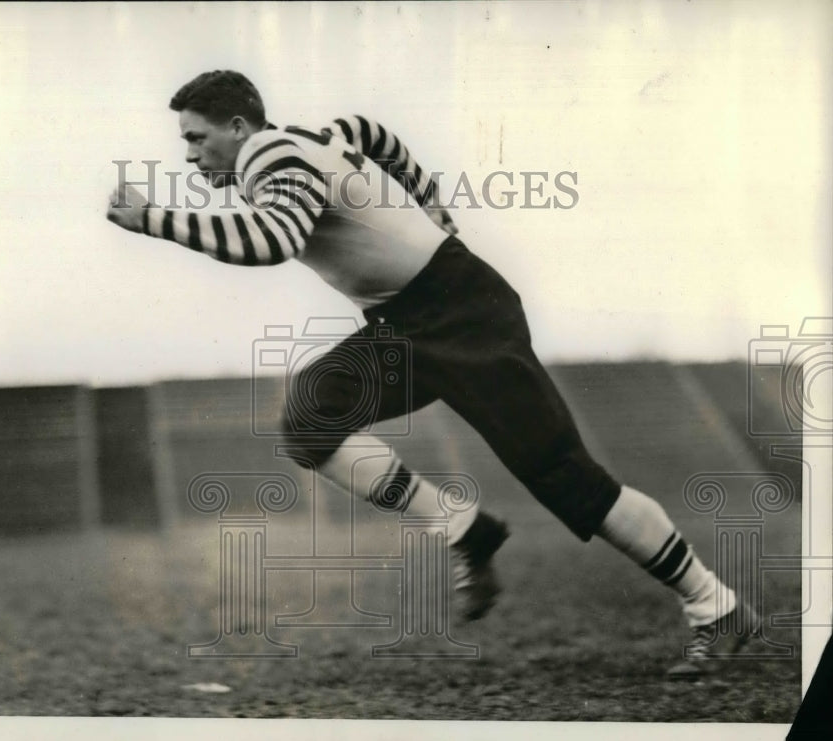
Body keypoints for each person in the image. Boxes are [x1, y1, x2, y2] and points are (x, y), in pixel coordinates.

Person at [107, 69, 758, 677]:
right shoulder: (311, 137)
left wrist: (152, 221)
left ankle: (714, 602)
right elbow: (371, 134)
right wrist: (433, 207)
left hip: (466, 315)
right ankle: (465, 527)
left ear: (239, 128)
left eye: (196, 137)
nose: (190, 156)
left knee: (566, 477)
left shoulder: (270, 157)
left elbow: (271, 241)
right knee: (310, 418)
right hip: (408, 323)